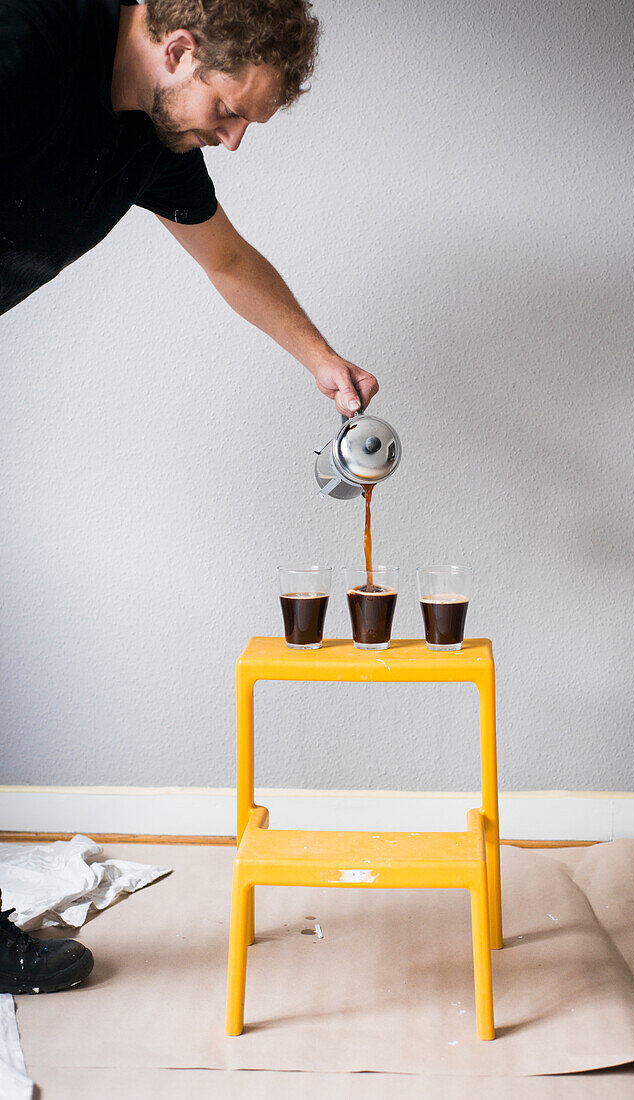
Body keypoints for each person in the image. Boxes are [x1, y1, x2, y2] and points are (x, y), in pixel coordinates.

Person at [0, 0, 379, 994]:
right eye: (227, 109)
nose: (233, 137)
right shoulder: (27, 47)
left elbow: (226, 257)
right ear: (176, 49)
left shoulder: (153, 133)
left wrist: (320, 360)